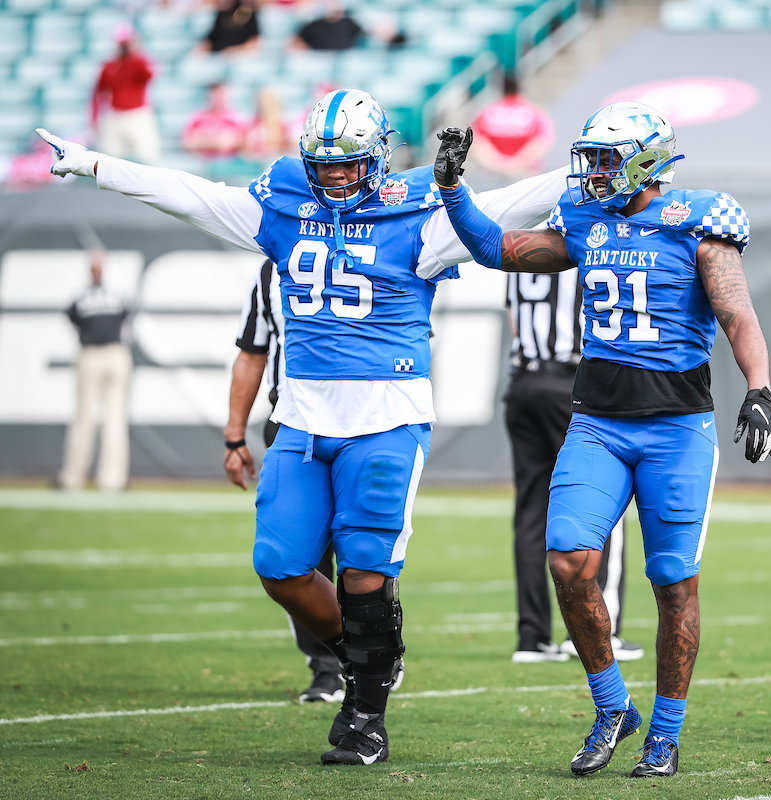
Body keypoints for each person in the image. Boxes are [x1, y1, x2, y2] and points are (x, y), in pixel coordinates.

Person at [37, 87, 567, 766]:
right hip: (302, 417)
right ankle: (372, 655)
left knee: (365, 574)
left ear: (377, 156)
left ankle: (364, 713)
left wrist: (586, 171)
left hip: (386, 419)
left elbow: (511, 202)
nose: (338, 173)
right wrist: (94, 164)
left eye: (350, 161)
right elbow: (189, 193)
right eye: (325, 161)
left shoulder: (420, 213)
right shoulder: (283, 205)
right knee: (281, 567)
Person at [433, 103, 771, 778]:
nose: (592, 173)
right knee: (567, 559)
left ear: (648, 160)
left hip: (677, 428)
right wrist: (452, 191)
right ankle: (613, 706)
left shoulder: (699, 221)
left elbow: (737, 314)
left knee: (673, 580)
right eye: (589, 158)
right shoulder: (585, 218)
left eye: (606, 159)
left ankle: (667, 734)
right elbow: (498, 250)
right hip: (597, 421)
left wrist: (760, 390)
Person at [504, 269, 642, 664]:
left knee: (532, 514)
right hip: (570, 384)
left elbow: (516, 317)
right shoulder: (581, 240)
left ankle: (532, 637)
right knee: (605, 500)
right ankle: (603, 629)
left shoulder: (521, 248)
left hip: (523, 384)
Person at [224, 259, 346, 703]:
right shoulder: (271, 268)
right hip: (291, 418)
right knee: (294, 555)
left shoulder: (378, 244)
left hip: (363, 419)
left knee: (359, 547)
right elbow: (252, 350)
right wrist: (234, 435)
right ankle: (329, 663)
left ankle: (371, 653)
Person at [59, 250, 133, 492]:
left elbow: (72, 319)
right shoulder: (116, 295)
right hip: (108, 354)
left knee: (99, 418)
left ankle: (84, 477)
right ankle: (97, 478)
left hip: (99, 353)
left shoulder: (83, 298)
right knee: (96, 418)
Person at [90, 24, 160, 165]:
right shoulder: (110, 66)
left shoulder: (138, 62)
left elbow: (150, 74)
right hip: (116, 115)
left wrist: (137, 53)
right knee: (111, 160)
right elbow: (98, 93)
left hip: (137, 115)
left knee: (147, 157)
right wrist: (94, 118)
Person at [469, 74, 554, 178]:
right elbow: (542, 141)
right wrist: (517, 163)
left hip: (493, 175)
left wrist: (497, 162)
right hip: (526, 175)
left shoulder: (486, 112)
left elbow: (476, 141)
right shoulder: (535, 112)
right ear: (521, 88)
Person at [182, 83, 248, 159]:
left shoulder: (236, 118)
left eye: (221, 94)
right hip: (202, 162)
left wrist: (204, 138)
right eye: (215, 94)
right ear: (208, 95)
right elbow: (188, 143)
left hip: (229, 162)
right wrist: (220, 140)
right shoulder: (197, 118)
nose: (218, 98)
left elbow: (243, 143)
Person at [293, 2, 365, 51]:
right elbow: (297, 42)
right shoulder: (314, 24)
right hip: (318, 61)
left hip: (346, 59)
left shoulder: (351, 22)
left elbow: (367, 34)